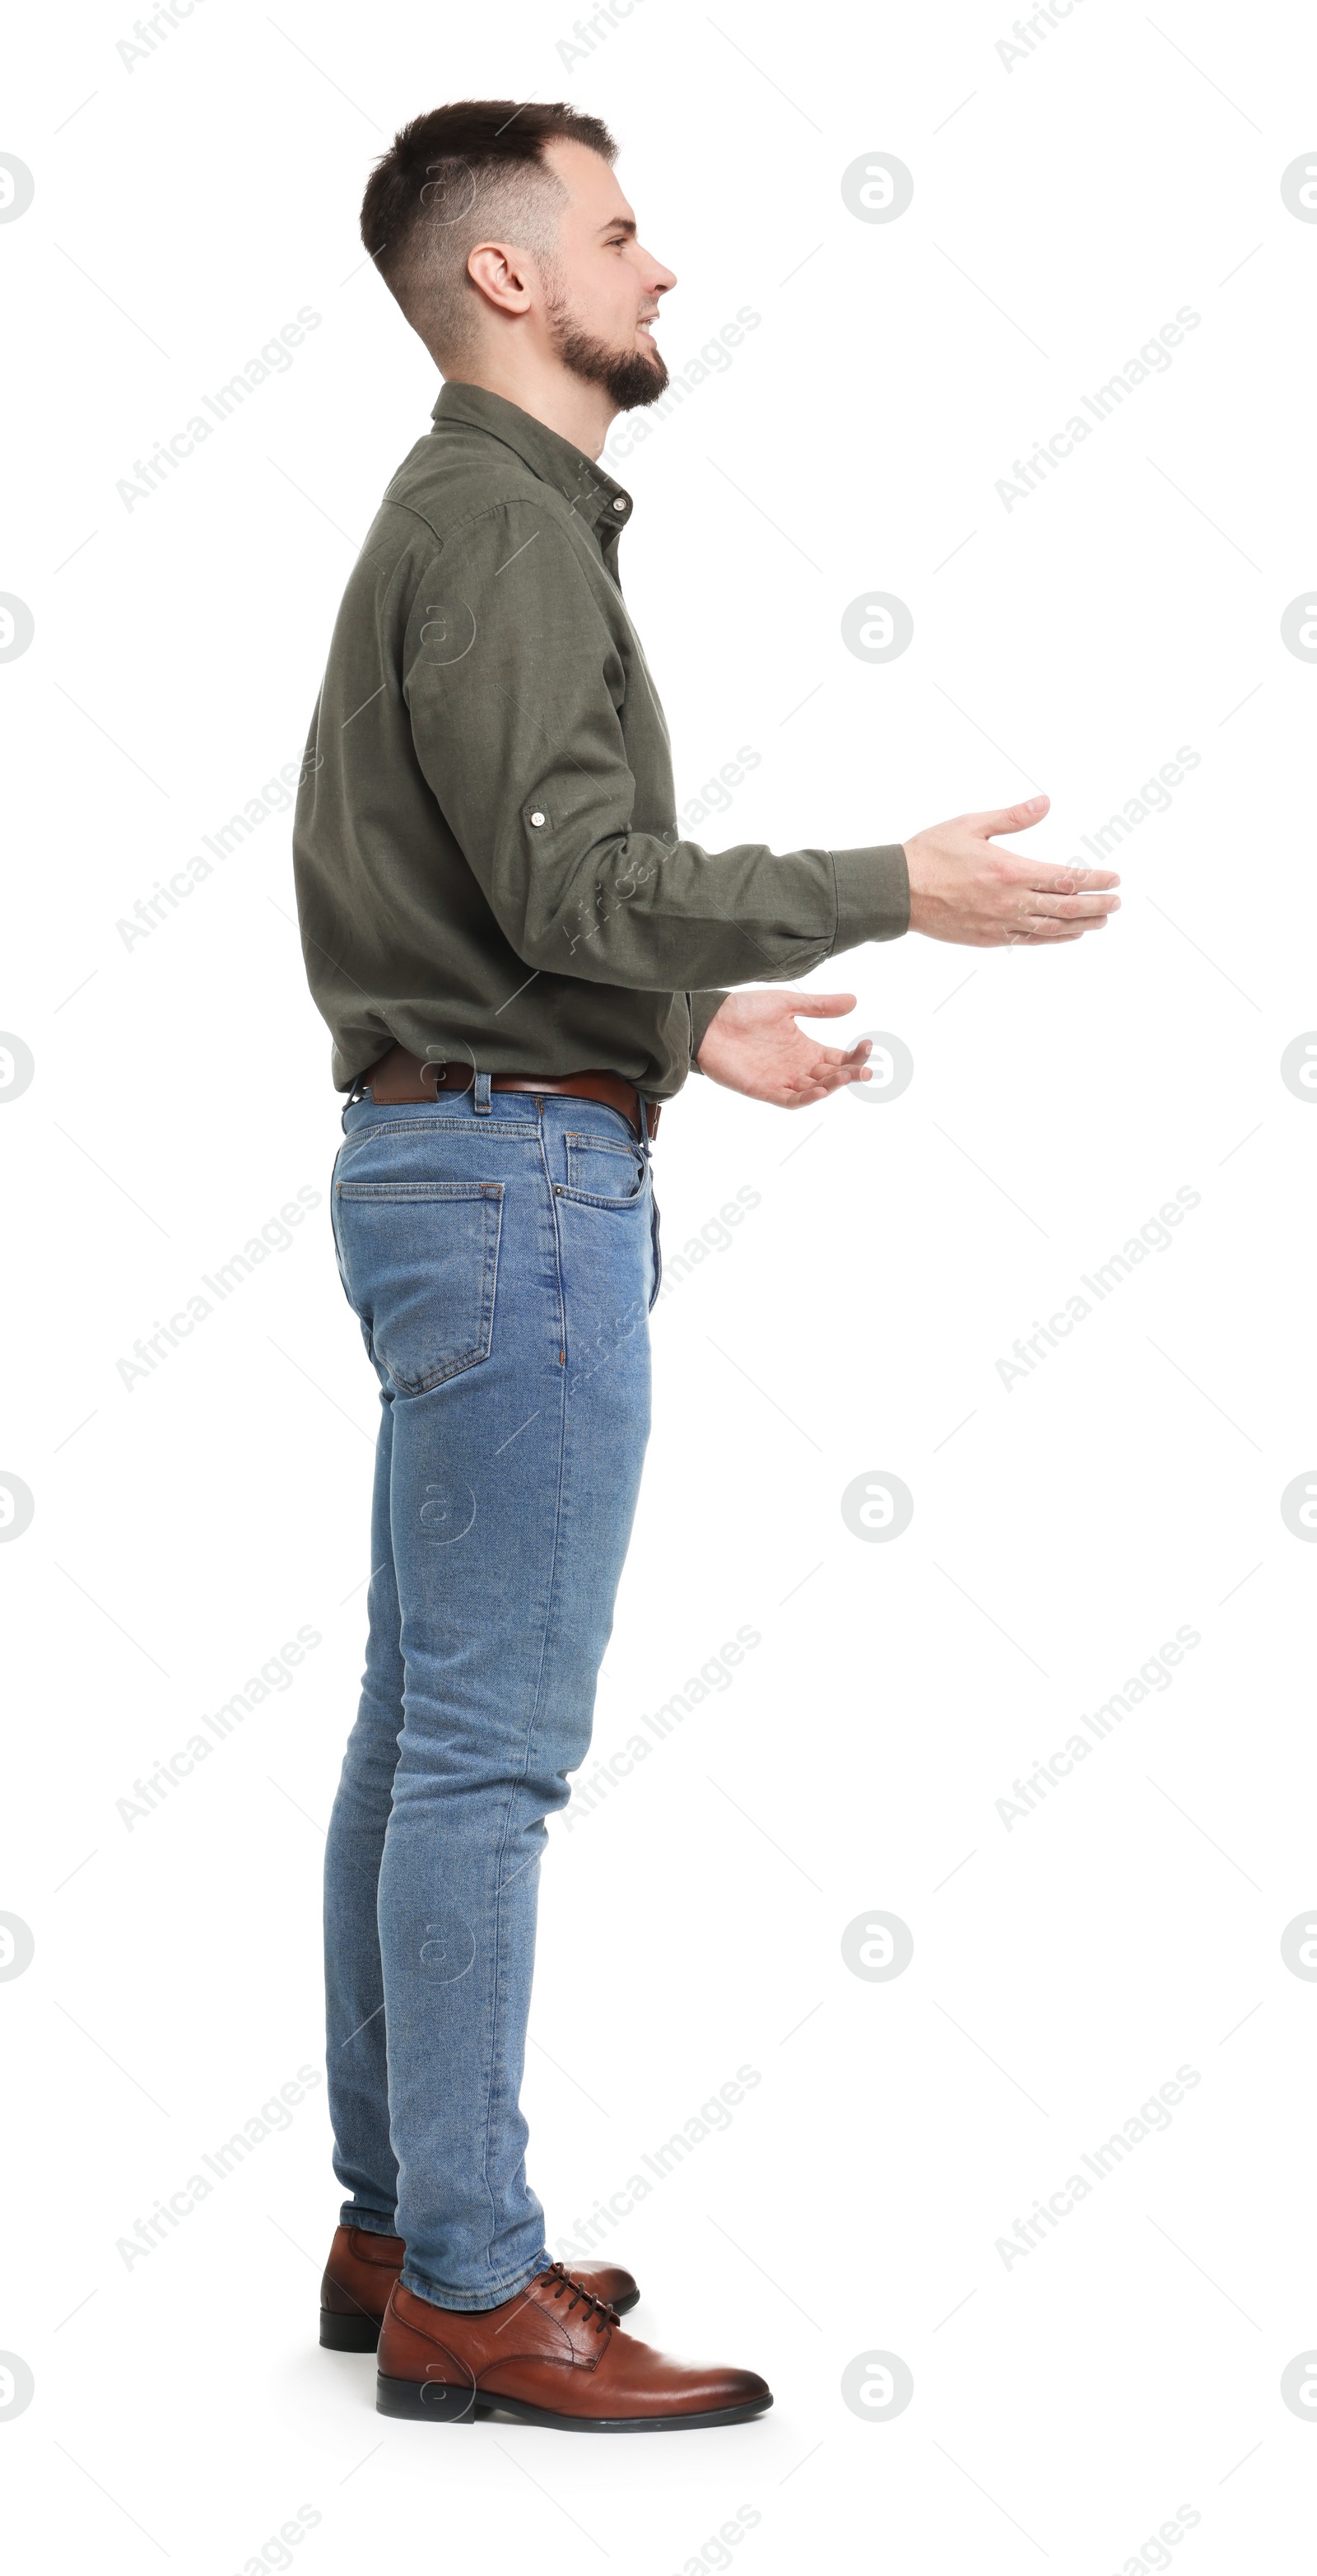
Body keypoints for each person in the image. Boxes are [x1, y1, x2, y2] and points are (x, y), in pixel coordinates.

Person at [292, 97, 1120, 2434]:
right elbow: (566, 890)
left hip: (458, 1157)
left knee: (418, 1738)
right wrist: (888, 882)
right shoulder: (500, 526)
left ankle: (398, 2220)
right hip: (510, 1194)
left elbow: (483, 891)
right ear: (507, 281)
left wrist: (680, 1019)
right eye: (623, 232)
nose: (663, 268)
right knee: (486, 1758)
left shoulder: (476, 521)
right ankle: (468, 2274)